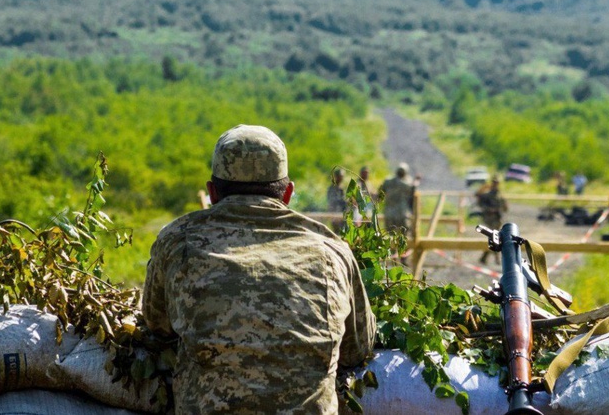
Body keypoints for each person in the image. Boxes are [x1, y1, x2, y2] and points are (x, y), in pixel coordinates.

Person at [143, 125, 375, 414]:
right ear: (288, 193)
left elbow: (157, 325)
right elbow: (357, 349)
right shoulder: (331, 250)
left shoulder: (177, 240)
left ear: (212, 192)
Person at [475, 175, 508, 264]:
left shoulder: (500, 195)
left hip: (497, 219)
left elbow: (505, 207)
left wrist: (503, 207)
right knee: (494, 237)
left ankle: (484, 257)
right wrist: (489, 209)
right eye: (494, 183)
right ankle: (496, 258)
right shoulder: (487, 195)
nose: (495, 185)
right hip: (490, 218)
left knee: (495, 238)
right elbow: (479, 202)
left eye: (497, 183)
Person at [379, 162, 419, 234]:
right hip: (401, 213)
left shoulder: (388, 181)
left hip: (389, 212)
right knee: (404, 234)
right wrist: (416, 181)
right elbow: (412, 189)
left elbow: (381, 191)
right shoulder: (404, 184)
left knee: (390, 234)